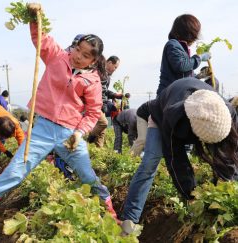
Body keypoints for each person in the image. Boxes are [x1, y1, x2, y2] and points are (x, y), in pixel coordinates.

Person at [0, 3, 118, 230]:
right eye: (78, 50)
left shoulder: (93, 81)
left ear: (93, 61)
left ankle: (110, 213)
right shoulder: (57, 56)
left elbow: (94, 112)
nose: (78, 57)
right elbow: (40, 37)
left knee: (87, 174)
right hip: (43, 128)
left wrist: (79, 132)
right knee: (17, 169)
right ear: (74, 46)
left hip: (69, 133)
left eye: (85, 56)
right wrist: (35, 15)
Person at [121, 78, 238, 235]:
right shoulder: (173, 117)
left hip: (208, 120)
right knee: (150, 162)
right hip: (160, 117)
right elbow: (176, 160)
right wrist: (192, 195)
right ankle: (130, 219)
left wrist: (229, 189)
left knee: (225, 161)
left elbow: (231, 155)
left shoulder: (226, 113)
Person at [156, 14, 211, 96]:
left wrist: (199, 76)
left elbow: (183, 77)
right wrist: (199, 57)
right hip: (169, 95)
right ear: (187, 33)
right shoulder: (173, 44)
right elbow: (181, 66)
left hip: (178, 92)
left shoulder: (181, 48)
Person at [87, 56, 122, 147]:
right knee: (103, 123)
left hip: (101, 104)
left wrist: (114, 95)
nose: (115, 70)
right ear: (109, 63)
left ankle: (98, 153)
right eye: (115, 67)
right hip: (96, 104)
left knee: (102, 133)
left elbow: (105, 91)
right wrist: (103, 104)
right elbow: (100, 91)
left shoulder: (106, 75)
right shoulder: (100, 73)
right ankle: (88, 140)